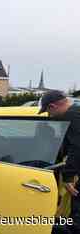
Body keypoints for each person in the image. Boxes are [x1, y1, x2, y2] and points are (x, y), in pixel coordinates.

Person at [39, 90, 80, 233]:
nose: (50, 116)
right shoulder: (76, 112)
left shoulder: (72, 115)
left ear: (52, 106)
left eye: (48, 112)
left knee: (76, 218)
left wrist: (68, 177)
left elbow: (77, 147)